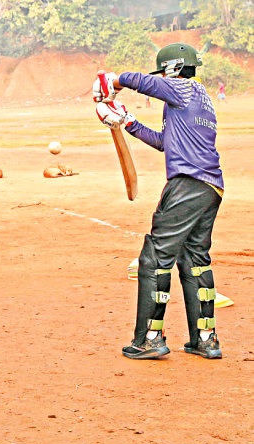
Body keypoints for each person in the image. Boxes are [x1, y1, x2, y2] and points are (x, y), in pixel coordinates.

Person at [93, 43, 224, 360]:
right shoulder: (199, 102)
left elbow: (146, 82)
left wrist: (114, 80)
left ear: (174, 68)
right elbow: (166, 143)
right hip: (210, 188)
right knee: (195, 261)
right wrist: (128, 122)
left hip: (187, 186)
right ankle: (205, 339)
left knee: (154, 258)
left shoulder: (185, 89)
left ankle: (149, 338)